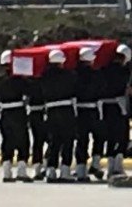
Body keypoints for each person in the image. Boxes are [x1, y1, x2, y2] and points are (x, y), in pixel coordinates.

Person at [42, 48, 77, 183]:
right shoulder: (69, 75)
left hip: (51, 111)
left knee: (54, 141)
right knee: (67, 140)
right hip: (66, 110)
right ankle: (65, 170)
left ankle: (51, 170)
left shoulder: (44, 76)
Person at [0, 50, 32, 183]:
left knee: (7, 142)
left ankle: (7, 172)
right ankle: (21, 171)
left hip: (4, 113)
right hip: (17, 112)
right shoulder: (18, 79)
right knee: (22, 141)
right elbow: (29, 90)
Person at [101, 44, 132, 178]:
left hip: (105, 107)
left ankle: (110, 167)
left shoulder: (103, 69)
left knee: (110, 138)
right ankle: (118, 166)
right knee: (122, 137)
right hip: (119, 107)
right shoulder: (124, 71)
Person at [73, 47, 104, 182]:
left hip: (78, 110)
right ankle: (96, 163)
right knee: (100, 136)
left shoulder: (74, 74)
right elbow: (102, 89)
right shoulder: (97, 74)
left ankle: (81, 169)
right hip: (93, 109)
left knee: (81, 140)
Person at [25, 73, 48, 181]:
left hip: (35, 112)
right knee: (52, 140)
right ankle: (45, 164)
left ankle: (38, 167)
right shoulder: (46, 78)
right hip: (44, 111)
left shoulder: (29, 81)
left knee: (38, 142)